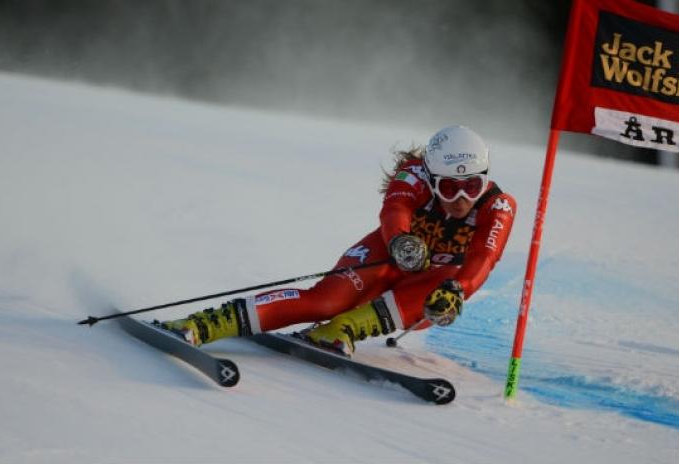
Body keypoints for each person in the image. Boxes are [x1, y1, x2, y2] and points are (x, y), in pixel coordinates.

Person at [160, 125, 517, 356]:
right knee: (326, 301)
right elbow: (394, 210)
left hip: (428, 282)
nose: (461, 198)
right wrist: (401, 241)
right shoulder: (413, 175)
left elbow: (485, 257)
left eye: (472, 185)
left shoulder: (498, 206)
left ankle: (342, 329)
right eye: (449, 187)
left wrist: (458, 289)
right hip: (387, 255)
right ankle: (207, 322)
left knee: (447, 285)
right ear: (431, 176)